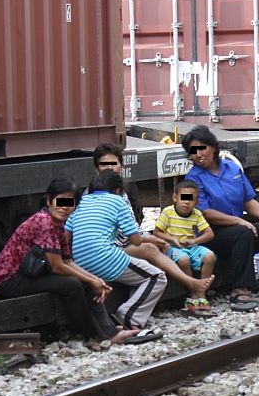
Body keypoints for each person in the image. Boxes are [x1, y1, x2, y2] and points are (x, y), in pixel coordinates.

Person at [0, 176, 141, 345]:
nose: (64, 207)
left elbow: (68, 261)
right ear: (49, 200)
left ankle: (109, 332)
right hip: (9, 280)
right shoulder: (44, 221)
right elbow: (57, 267)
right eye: (59, 201)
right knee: (72, 285)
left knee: (88, 282)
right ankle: (92, 336)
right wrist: (91, 280)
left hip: (28, 274)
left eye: (70, 203)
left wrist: (95, 280)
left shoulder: (58, 224)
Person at [182, 125, 259, 312]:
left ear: (213, 147)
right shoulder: (192, 179)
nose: (198, 154)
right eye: (193, 151)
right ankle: (239, 289)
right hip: (211, 235)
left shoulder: (232, 168)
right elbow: (204, 213)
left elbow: (248, 199)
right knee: (242, 232)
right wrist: (239, 221)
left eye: (202, 148)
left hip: (238, 229)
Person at [90, 143, 215, 297]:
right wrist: (147, 239)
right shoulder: (102, 196)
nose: (109, 168)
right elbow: (124, 237)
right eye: (104, 165)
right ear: (96, 169)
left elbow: (132, 226)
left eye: (113, 164)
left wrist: (150, 237)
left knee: (155, 248)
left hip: (115, 246)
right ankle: (191, 284)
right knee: (150, 251)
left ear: (121, 166)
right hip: (107, 250)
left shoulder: (120, 193)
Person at [67, 169, 167, 338]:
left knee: (137, 276)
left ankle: (133, 317)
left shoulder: (81, 202)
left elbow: (67, 236)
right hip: (105, 258)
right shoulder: (117, 201)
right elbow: (135, 240)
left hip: (80, 264)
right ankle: (128, 315)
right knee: (156, 277)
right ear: (119, 190)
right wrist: (145, 238)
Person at [153, 180, 217, 318]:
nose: (186, 203)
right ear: (175, 197)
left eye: (191, 199)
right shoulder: (168, 212)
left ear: (197, 203)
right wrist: (171, 239)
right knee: (183, 259)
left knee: (209, 256)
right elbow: (156, 232)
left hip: (191, 247)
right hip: (174, 247)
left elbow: (209, 234)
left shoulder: (196, 214)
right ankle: (193, 290)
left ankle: (202, 292)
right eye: (183, 198)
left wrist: (194, 241)